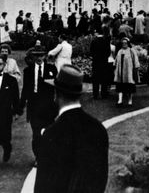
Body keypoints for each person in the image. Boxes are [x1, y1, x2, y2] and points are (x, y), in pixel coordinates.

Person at [34, 64, 109, 193]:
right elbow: (101, 178)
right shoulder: (98, 128)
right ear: (79, 94)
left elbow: (44, 185)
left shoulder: (52, 133)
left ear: (56, 95)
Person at [19, 46, 57, 157]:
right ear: (32, 56)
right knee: (36, 133)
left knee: (49, 132)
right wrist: (20, 106)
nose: (39, 58)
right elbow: (25, 89)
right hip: (34, 106)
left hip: (48, 106)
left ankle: (48, 155)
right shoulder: (28, 70)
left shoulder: (52, 69)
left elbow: (58, 87)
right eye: (36, 55)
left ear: (45, 56)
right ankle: (38, 156)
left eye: (41, 55)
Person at [113, 37, 139, 106]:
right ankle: (120, 100)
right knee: (120, 87)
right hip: (120, 73)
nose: (124, 44)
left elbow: (135, 61)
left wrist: (136, 69)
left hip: (129, 73)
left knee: (129, 87)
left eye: (125, 43)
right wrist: (115, 69)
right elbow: (115, 61)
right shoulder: (119, 51)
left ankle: (130, 100)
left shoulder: (131, 51)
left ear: (128, 43)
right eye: (123, 43)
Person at [90, 28, 112, 99]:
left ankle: (95, 94)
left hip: (96, 62)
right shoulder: (106, 41)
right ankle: (103, 93)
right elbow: (108, 52)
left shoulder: (94, 41)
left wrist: (95, 57)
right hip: (104, 61)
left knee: (95, 79)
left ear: (97, 33)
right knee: (104, 78)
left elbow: (91, 52)